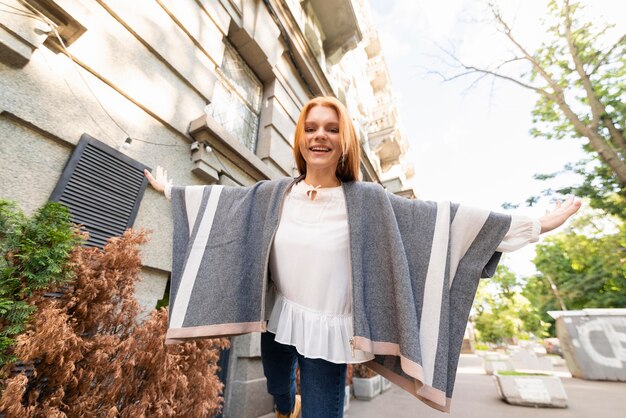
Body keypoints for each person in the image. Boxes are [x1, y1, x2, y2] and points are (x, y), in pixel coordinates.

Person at [145, 96, 580, 418]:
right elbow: (224, 206)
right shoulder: (274, 194)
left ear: (344, 141)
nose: (320, 135)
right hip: (280, 315)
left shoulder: (368, 201)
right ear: (300, 137)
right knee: (279, 386)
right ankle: (283, 406)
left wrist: (533, 225)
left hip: (331, 329)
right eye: (311, 127)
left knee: (321, 411)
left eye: (331, 128)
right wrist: (172, 192)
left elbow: (443, 222)